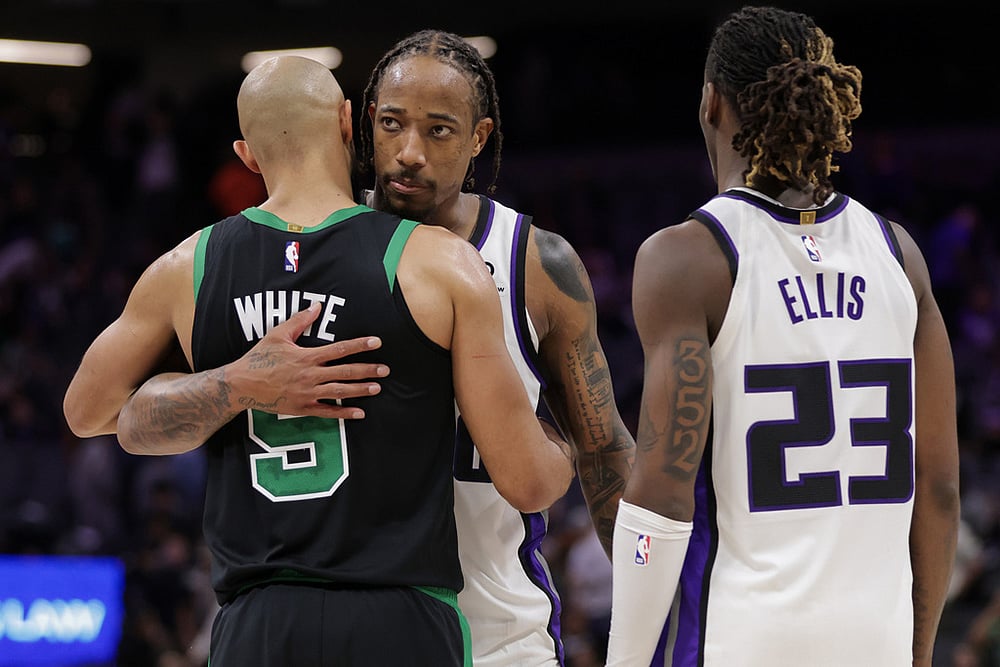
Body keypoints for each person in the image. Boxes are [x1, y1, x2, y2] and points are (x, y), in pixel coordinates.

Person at [63, 55, 574, 666]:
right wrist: (565, 443)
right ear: (347, 122)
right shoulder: (438, 262)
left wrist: (234, 384)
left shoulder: (188, 268)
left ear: (247, 155)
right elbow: (526, 481)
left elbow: (86, 411)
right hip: (401, 613)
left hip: (259, 619)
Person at [606, 6, 960, 667]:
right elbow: (937, 486)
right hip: (876, 641)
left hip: (744, 638)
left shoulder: (688, 258)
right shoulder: (900, 255)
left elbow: (661, 494)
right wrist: (917, 652)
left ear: (712, 103)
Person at [357, 29, 635, 665]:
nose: (409, 153)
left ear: (479, 137)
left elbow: (603, 450)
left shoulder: (538, 263)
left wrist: (660, 599)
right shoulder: (317, 246)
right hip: (351, 630)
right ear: (369, 121)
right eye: (393, 124)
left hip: (499, 637)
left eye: (439, 131)